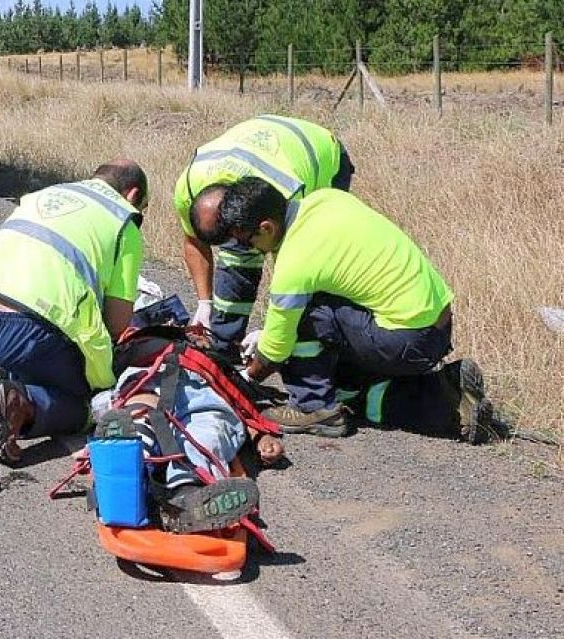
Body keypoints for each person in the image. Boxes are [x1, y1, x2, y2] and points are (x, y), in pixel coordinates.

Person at [217, 178, 493, 441]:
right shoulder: (326, 199)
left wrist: (245, 381)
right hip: (434, 324)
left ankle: (312, 408)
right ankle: (448, 393)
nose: (247, 249)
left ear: (267, 228)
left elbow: (277, 348)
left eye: (246, 241)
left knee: (305, 313)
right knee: (349, 392)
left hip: (407, 339)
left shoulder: (294, 263)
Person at [0, 160, 149, 464]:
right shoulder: (124, 224)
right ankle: (21, 403)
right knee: (95, 400)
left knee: (18, 341)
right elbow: (116, 323)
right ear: (132, 195)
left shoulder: (48, 193)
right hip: (25, 334)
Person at [172, 115, 354, 354]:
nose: (235, 245)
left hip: (322, 153)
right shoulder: (188, 189)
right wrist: (204, 303)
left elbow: (296, 271)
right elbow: (193, 242)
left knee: (319, 275)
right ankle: (224, 346)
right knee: (238, 256)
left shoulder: (284, 194)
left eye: (234, 235)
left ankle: (316, 345)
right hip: (263, 144)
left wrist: (272, 335)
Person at [85, 361, 284, 533]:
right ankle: (132, 475)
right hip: (150, 378)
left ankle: (184, 500)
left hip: (205, 398)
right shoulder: (140, 344)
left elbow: (243, 407)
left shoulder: (222, 367)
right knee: (141, 411)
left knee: (206, 436)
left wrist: (259, 435)